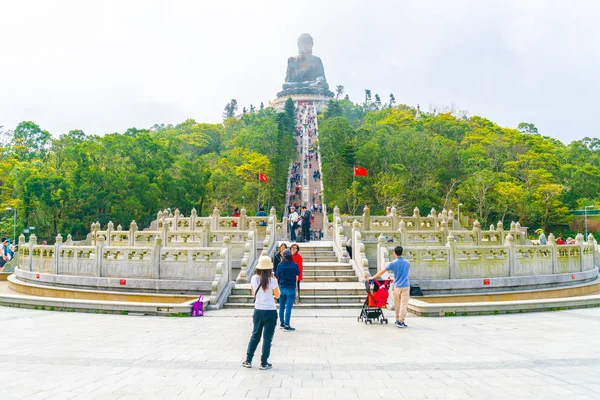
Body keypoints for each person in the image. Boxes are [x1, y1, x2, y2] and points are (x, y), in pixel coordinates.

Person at [242, 255, 280, 370]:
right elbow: (278, 295)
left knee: (255, 335)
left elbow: (253, 293)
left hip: (258, 310)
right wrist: (276, 283)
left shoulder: (254, 278)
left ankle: (248, 360)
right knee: (267, 338)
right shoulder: (272, 280)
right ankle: (264, 362)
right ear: (270, 269)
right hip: (270, 311)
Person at [366, 246, 410, 328]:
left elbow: (382, 272)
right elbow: (404, 274)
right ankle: (401, 321)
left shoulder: (393, 263)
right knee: (404, 304)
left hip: (397, 286)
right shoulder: (407, 263)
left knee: (397, 304)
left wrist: (373, 277)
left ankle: (397, 320)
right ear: (402, 252)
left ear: (394, 253)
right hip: (405, 285)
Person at [275, 249, 300, 331]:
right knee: (288, 307)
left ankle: (282, 323)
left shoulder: (280, 265)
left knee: (281, 306)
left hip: (282, 287)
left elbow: (277, 275)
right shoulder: (294, 265)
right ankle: (287, 324)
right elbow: (298, 273)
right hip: (291, 288)